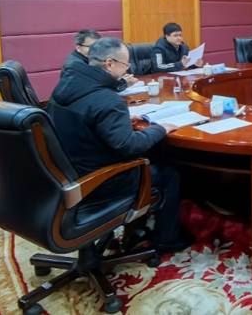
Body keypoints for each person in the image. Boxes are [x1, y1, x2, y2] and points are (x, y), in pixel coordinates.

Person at [47, 37, 189, 252]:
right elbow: (128, 146)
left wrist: (119, 123)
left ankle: (137, 226)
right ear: (109, 64)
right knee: (169, 172)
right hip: (98, 180)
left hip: (67, 171)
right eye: (125, 65)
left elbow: (87, 120)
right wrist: (160, 128)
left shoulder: (66, 85)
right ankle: (167, 239)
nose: (127, 70)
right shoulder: (107, 99)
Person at [62, 29, 137, 88]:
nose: (96, 50)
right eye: (91, 46)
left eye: (98, 46)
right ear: (78, 47)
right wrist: (123, 83)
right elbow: (96, 86)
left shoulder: (93, 58)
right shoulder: (75, 66)